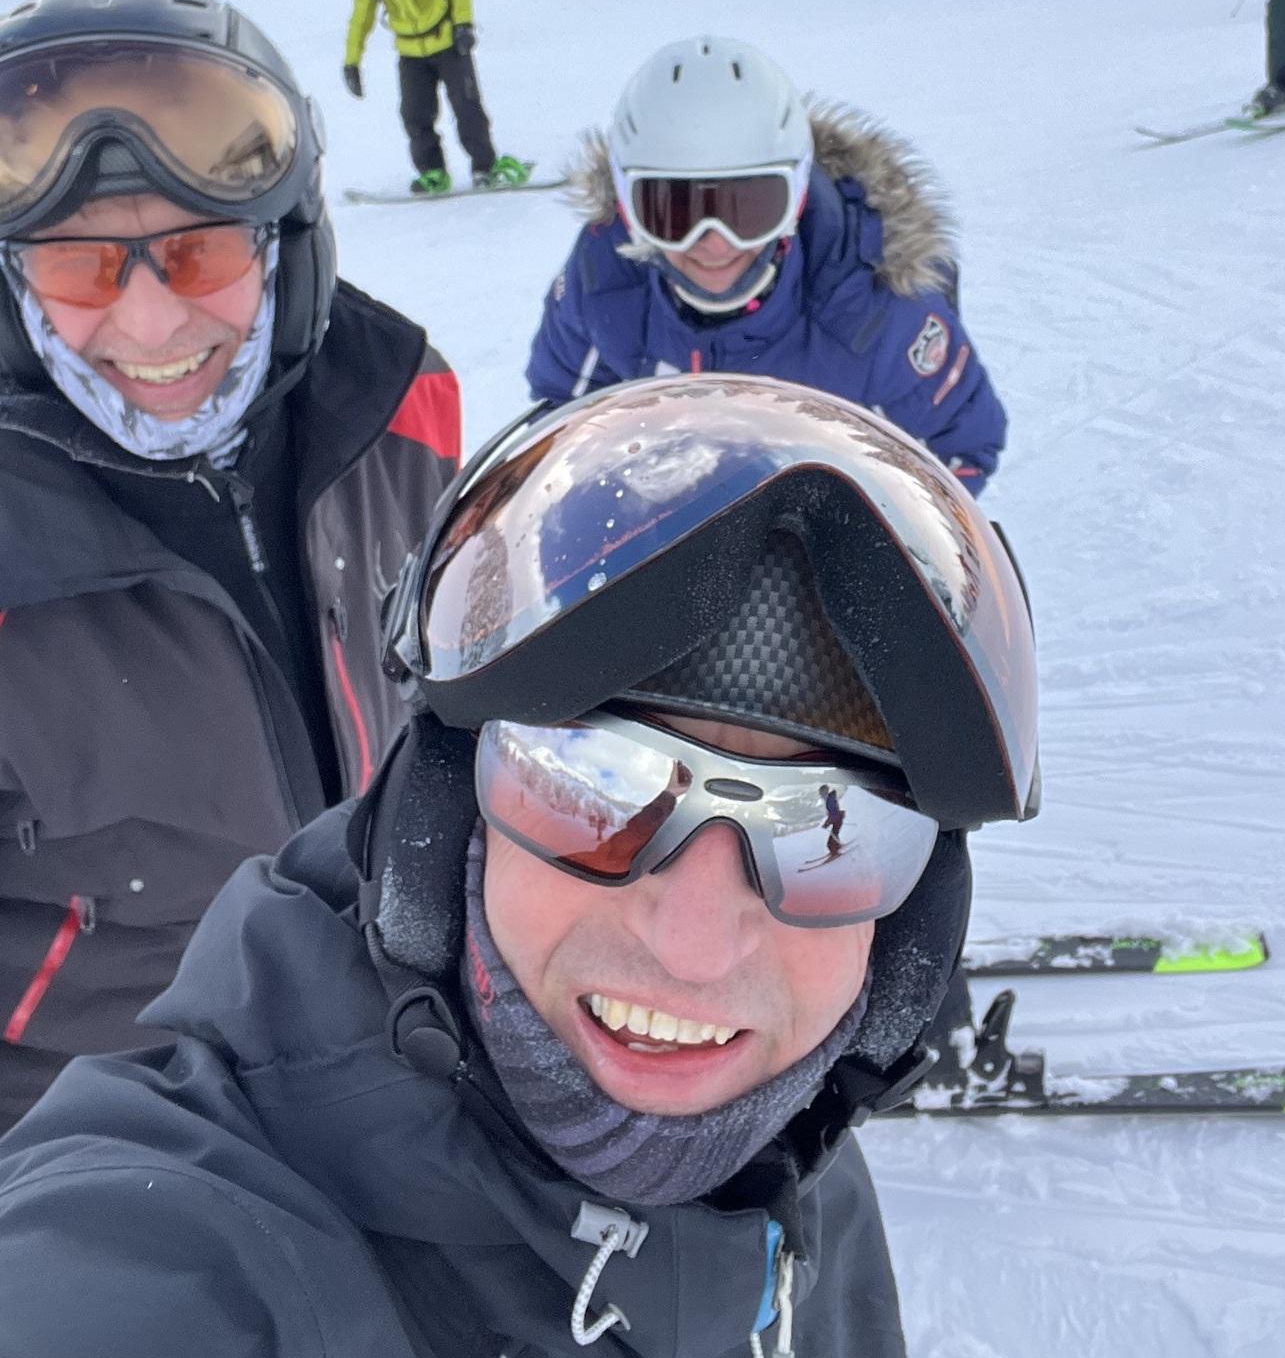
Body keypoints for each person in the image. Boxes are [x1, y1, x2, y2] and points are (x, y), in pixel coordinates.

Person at [0, 374, 1038, 1357]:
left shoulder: (796, 1173)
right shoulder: (177, 1251)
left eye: (833, 831)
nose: (694, 946)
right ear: (447, 814)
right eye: (596, 787)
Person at [0, 0, 461, 1134]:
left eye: (200, 254)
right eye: (81, 265)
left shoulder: (399, 425)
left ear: (284, 247)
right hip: (101, 1172)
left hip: (403, 1101)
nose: (152, 326)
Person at [527, 36, 1007, 492]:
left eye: (751, 208)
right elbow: (566, 423)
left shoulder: (876, 310)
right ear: (629, 210)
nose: (714, 244)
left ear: (796, 198)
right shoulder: (605, 281)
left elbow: (958, 451)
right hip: (661, 545)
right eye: (673, 213)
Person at [339, 0, 527, 197]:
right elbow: (360, 18)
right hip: (410, 53)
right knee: (414, 114)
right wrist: (352, 61)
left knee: (467, 107)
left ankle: (484, 168)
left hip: (449, 42)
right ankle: (433, 172)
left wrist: (463, 23)